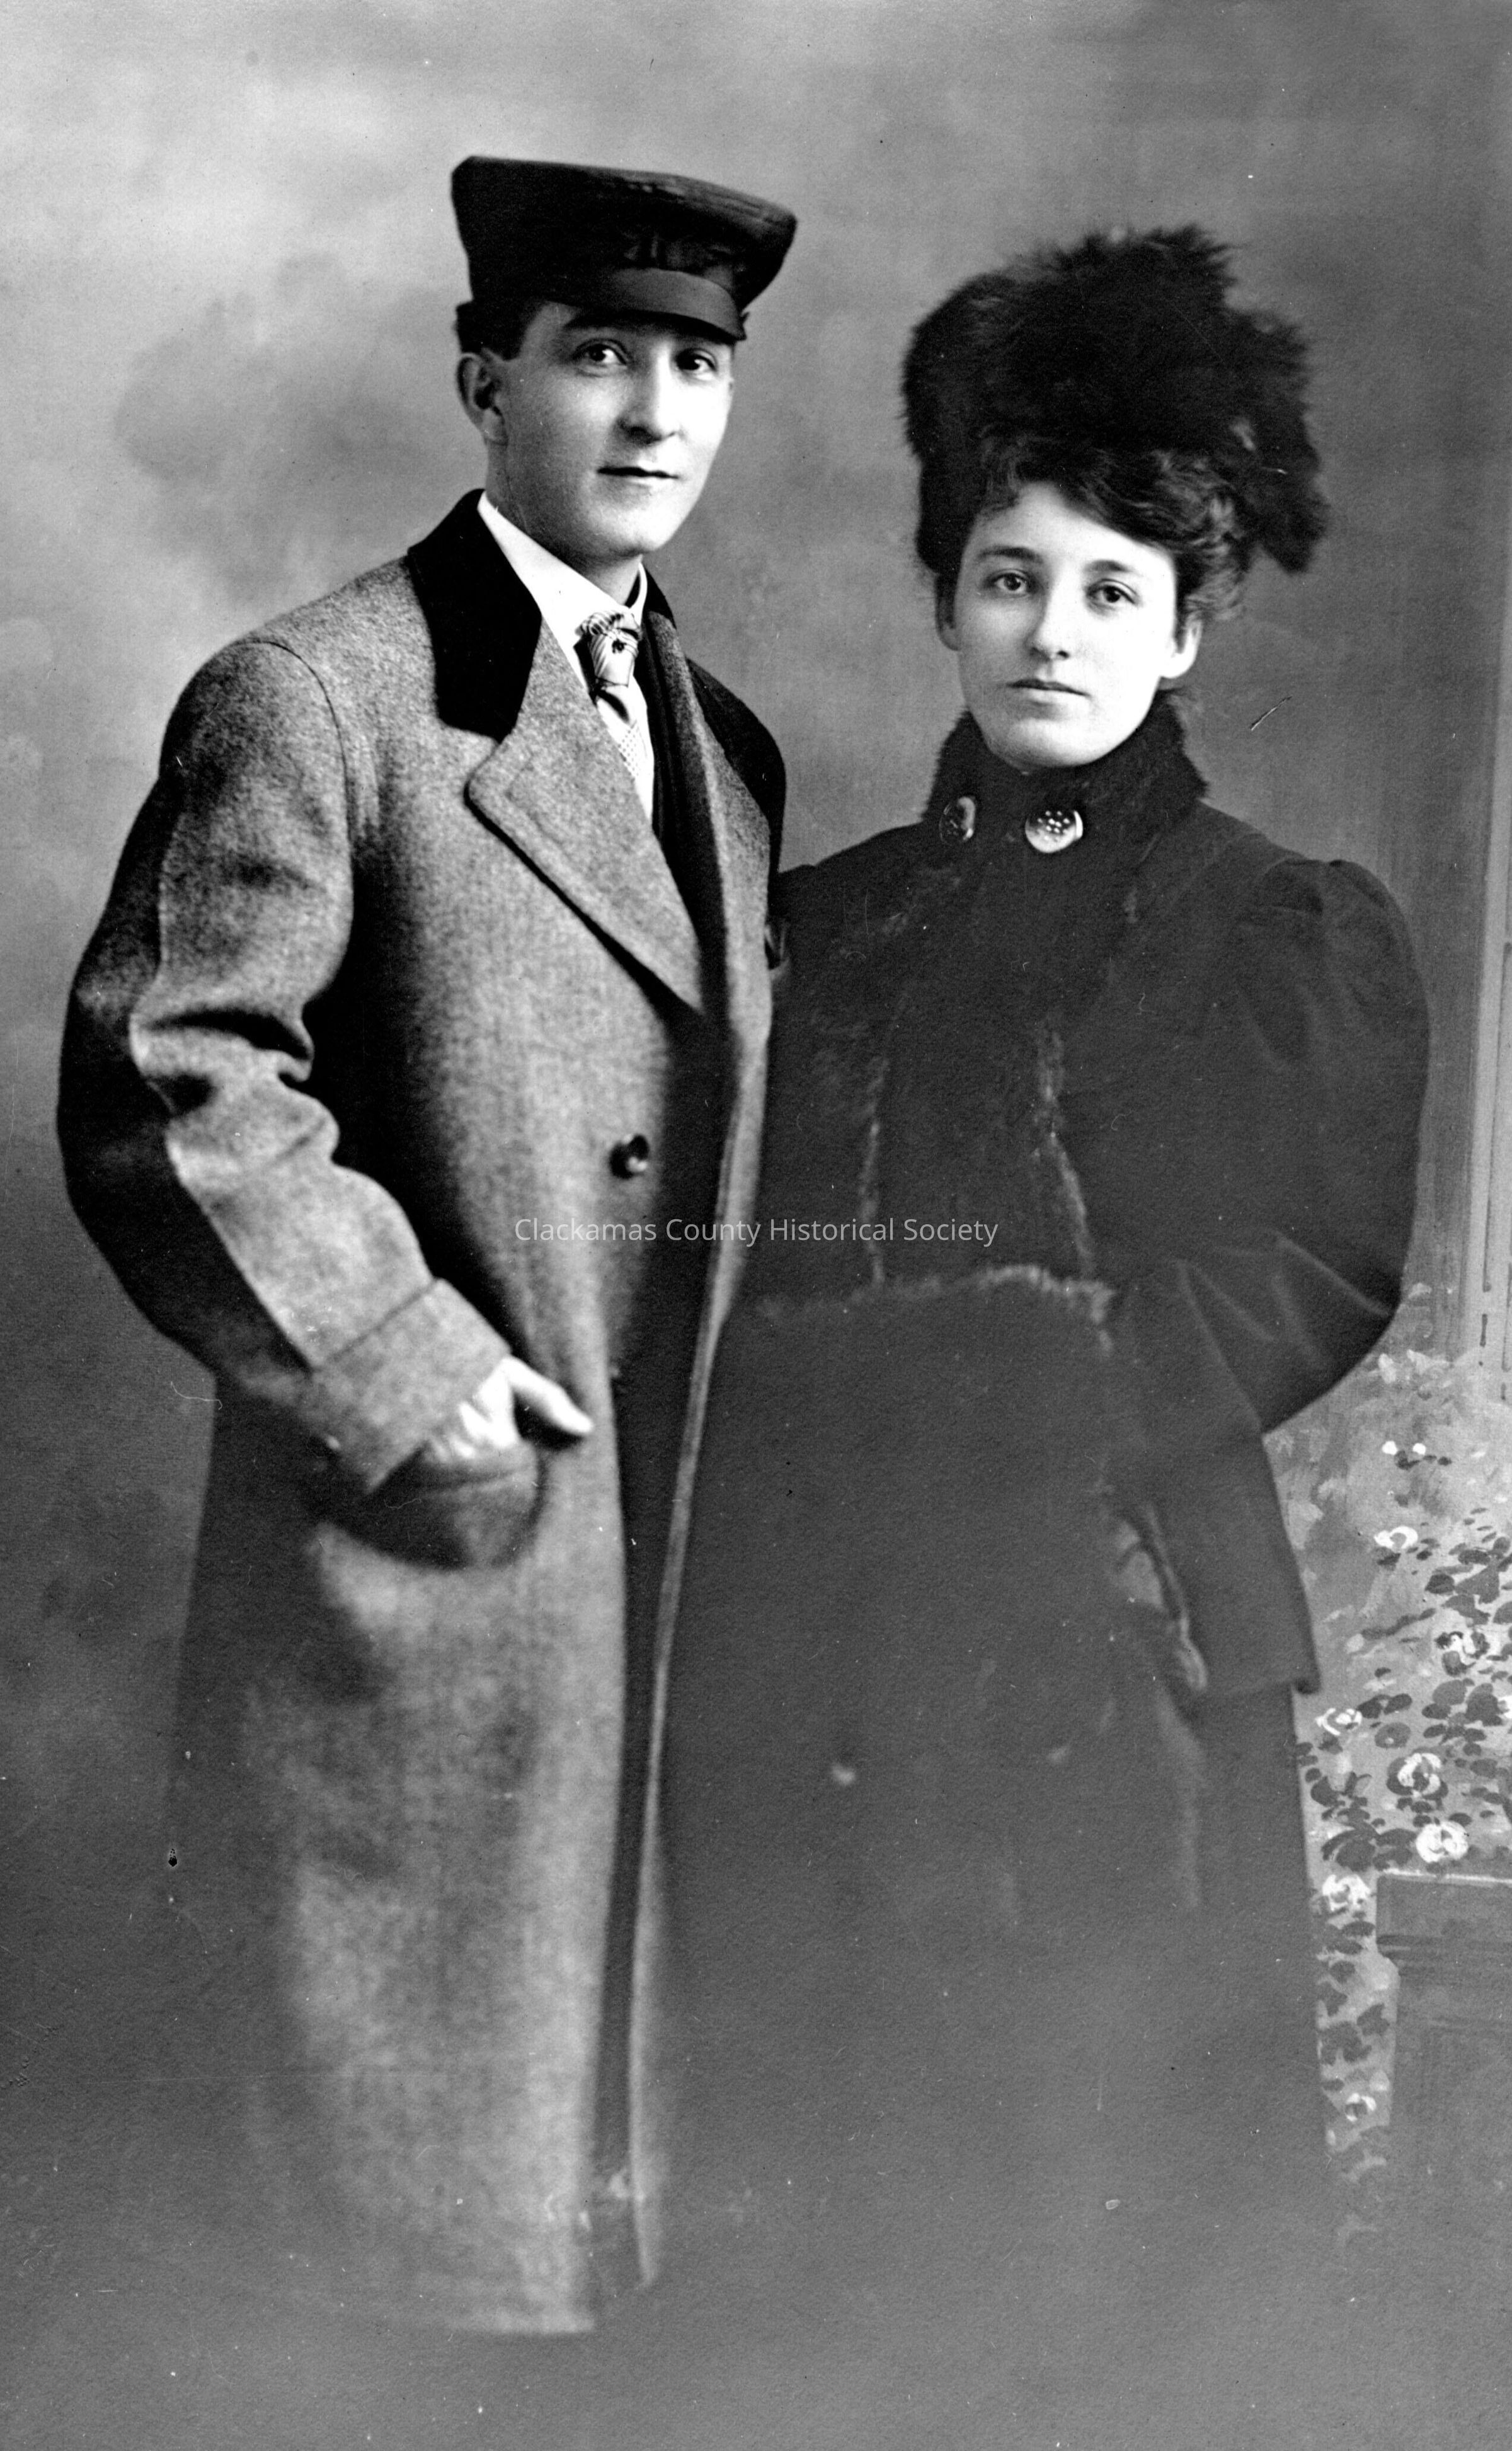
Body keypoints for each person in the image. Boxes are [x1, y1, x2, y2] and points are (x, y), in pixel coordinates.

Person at [665, 229, 1429, 2427]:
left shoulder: (1277, 926)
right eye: (1011, 578)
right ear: (948, 600)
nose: (1054, 630)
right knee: (835, 2242)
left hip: (1132, 1659)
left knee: (1113, 2260)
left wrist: (978, 1401)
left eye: (1111, 587)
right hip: (822, 1666)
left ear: (1186, 625)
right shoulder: (825, 928)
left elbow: (1308, 1269)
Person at [56, 154, 794, 2335]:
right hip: (429, 1571)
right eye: (599, 355)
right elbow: (172, 1074)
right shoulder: (318, 695)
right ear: (486, 381)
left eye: (697, 366)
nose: (653, 410)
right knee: (374, 2296)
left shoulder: (728, 750)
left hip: (649, 1610)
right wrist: (408, 1372)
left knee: (598, 2273)